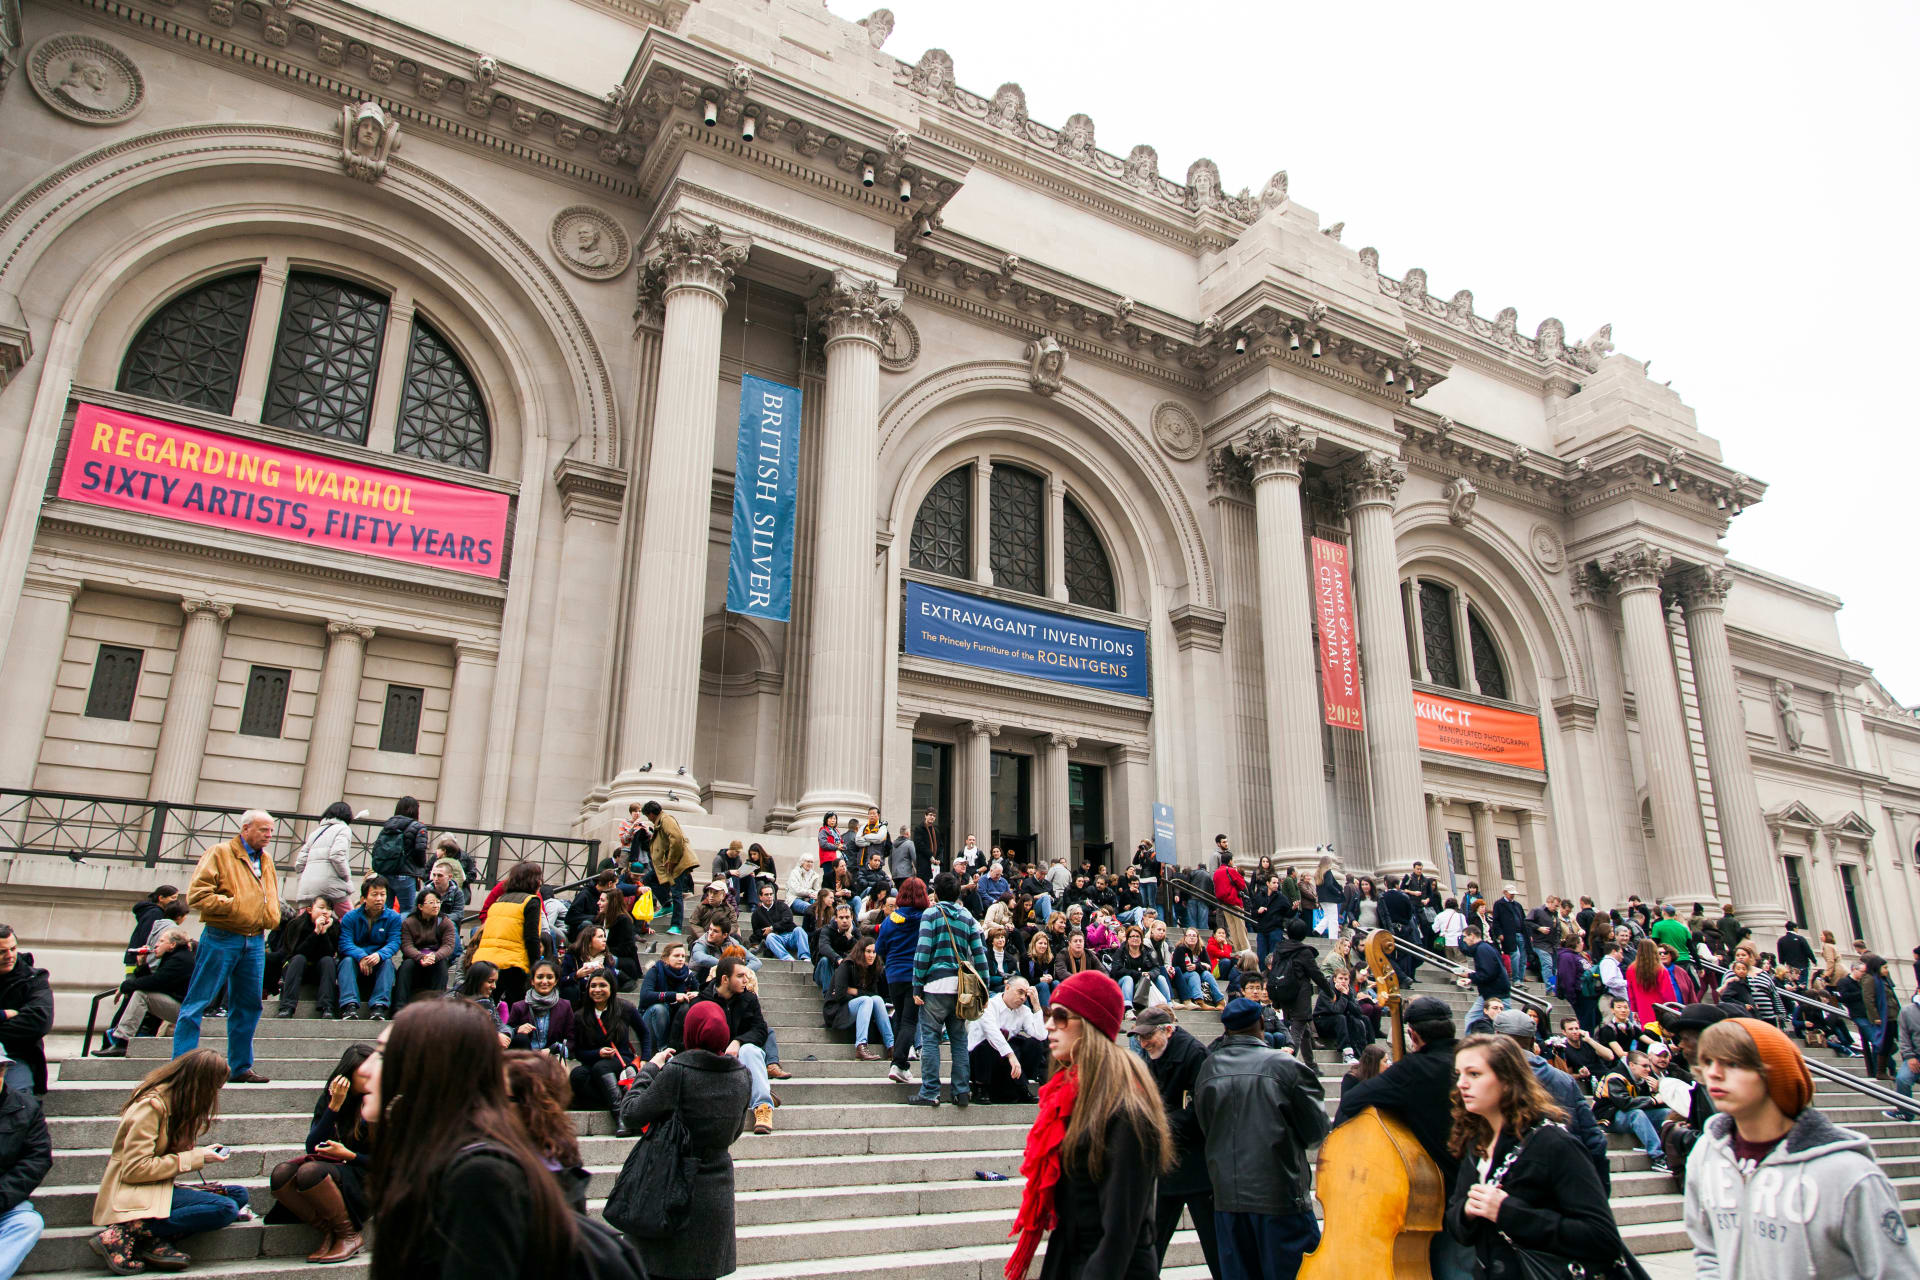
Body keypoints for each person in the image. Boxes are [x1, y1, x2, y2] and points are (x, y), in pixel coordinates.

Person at [358, 1000, 579, 1280]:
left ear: (429, 1067)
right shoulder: (429, 1149)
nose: (364, 1068)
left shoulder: (479, 1174)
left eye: (382, 1054)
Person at [1685, 1016, 1919, 1276]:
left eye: (1732, 1063)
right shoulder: (1706, 1153)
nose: (1714, 1073)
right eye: (1707, 1062)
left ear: (1773, 1073)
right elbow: (1708, 1252)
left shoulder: (1849, 1173)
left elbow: (1894, 1271)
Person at [1005, 970, 1170, 1280]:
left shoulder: (1125, 1109)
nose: (1049, 1024)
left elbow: (1120, 1232)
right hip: (1072, 1258)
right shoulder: (1071, 1096)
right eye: (1050, 1014)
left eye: (1061, 1016)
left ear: (1091, 1025)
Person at [1443, 1035, 1626, 1280]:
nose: (1462, 1084)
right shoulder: (1477, 1143)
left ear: (1508, 1080)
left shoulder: (1554, 1144)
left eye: (1474, 1074)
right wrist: (1466, 1212)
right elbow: (1458, 1223)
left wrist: (1508, 1212)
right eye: (1459, 1074)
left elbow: (1602, 1237)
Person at [1332, 996, 1470, 1280]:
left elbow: (1351, 1102)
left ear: (1413, 1035)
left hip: (1445, 1192)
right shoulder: (1473, 1059)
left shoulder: (1413, 1069)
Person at [1194, 997, 1330, 1280]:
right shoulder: (1285, 1066)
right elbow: (1316, 1132)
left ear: (1227, 1030)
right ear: (1260, 1024)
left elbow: (1205, 1127)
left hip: (1228, 1199)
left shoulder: (1208, 1069)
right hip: (1279, 1196)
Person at [616, 1002, 751, 1279]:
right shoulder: (742, 1075)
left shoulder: (678, 1071)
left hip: (671, 1187)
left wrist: (649, 1069)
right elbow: (735, 1132)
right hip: (716, 1193)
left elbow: (631, 1113)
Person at [88, 1049, 247, 1274]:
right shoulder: (150, 1107)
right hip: (133, 1190)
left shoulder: (177, 1104)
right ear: (199, 1084)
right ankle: (130, 1231)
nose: (214, 1095)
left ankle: (153, 1240)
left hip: (157, 1188)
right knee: (226, 1208)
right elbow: (135, 1169)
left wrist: (197, 1151)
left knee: (239, 1195)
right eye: (213, 1088)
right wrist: (196, 1158)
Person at [171, 809, 281, 1085]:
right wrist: (235, 905)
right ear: (245, 828)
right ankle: (183, 1066)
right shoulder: (219, 853)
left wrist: (270, 915)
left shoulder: (266, 860)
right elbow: (197, 894)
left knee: (249, 1004)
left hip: (255, 938)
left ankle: (241, 1066)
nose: (269, 836)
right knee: (198, 1000)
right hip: (222, 936)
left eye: (271, 831)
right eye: (263, 830)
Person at [1131, 1004, 1221, 1277]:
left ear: (1168, 1030)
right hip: (1166, 1164)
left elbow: (1201, 1112)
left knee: (1214, 1245)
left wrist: (1158, 1125)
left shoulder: (1194, 1054)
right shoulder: (1153, 1054)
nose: (1143, 1043)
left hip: (1196, 1164)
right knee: (1148, 1246)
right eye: (1139, 1037)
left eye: (1148, 1036)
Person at [266, 1043, 373, 1263]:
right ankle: (329, 1230)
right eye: (365, 1076)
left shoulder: (382, 1102)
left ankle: (349, 1235)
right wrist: (334, 1107)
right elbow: (313, 1146)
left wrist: (350, 1155)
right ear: (348, 1076)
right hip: (339, 1174)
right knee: (281, 1174)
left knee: (310, 1172)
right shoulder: (335, 1096)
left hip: (369, 1177)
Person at [1489, 1009, 1612, 1186]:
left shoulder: (1487, 1077)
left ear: (1497, 1036)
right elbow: (1594, 1140)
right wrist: (1598, 1190)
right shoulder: (1564, 1080)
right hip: (1564, 1176)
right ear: (1532, 1040)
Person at [909, 872, 990, 1108]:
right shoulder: (966, 916)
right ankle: (961, 1091)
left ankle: (930, 1091)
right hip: (961, 988)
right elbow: (979, 954)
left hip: (935, 984)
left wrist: (917, 983)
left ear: (936, 893)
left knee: (931, 1039)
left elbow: (922, 951)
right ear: (957, 894)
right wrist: (983, 988)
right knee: (959, 1040)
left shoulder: (931, 914)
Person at [98, 926, 194, 1057]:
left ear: (172, 944)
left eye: (161, 941)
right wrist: (142, 965)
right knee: (142, 993)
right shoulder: (175, 956)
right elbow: (157, 983)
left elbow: (156, 982)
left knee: (141, 995)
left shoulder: (180, 959)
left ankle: (122, 1042)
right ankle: (123, 1040)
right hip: (182, 1007)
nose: (156, 945)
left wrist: (126, 985)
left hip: (186, 1010)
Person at [568, 971, 639, 1135]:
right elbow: (578, 1052)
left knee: (600, 1068)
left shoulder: (625, 1008)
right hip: (595, 1060)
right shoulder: (580, 1015)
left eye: (602, 985)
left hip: (621, 1059)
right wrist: (597, 1053)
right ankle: (616, 1100)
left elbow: (644, 1033)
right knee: (577, 1075)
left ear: (612, 988)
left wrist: (645, 1059)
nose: (597, 990)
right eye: (593, 986)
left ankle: (621, 1116)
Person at [470, 861, 545, 1006]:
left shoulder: (499, 901)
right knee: (518, 1009)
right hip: (513, 963)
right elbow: (531, 937)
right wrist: (536, 964)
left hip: (485, 961)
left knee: (486, 1006)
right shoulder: (532, 901)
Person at [1266, 916, 1334, 1067]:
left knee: (1305, 1031)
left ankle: (1311, 1065)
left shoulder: (1279, 950)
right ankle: (1286, 1066)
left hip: (1284, 994)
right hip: (1300, 996)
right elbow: (1317, 975)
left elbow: (1274, 974)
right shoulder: (1304, 952)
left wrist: (1276, 1000)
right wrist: (1331, 993)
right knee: (1297, 1032)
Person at [968, 976, 1047, 1104]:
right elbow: (992, 1034)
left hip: (1005, 1063)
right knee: (989, 1045)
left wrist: (1036, 1005)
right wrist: (1011, 1056)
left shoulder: (1024, 1011)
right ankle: (981, 1088)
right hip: (979, 1060)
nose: (1023, 998)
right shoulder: (989, 1005)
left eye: (1025, 995)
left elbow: (1041, 1036)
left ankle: (1021, 1086)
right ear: (1007, 988)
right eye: (1020, 992)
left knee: (1034, 1044)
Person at [0, 1073, 49, 1279]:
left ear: (2, 1071)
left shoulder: (26, 1108)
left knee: (29, 1222)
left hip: (4, 1202)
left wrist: (2, 1196)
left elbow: (37, 1160)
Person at [336, 876, 404, 1020]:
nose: (379, 898)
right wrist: (361, 956)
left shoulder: (393, 917)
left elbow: (394, 942)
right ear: (364, 898)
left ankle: (379, 1007)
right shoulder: (350, 917)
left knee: (387, 963)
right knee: (346, 961)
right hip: (356, 961)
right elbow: (345, 943)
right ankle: (349, 1006)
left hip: (378, 960)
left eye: (383, 894)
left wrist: (379, 955)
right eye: (374, 894)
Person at [825, 934, 893, 1061]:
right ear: (861, 952)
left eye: (874, 952)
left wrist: (854, 991)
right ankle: (861, 1046)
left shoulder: (873, 969)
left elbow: (875, 995)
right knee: (866, 1000)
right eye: (868, 951)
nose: (871, 955)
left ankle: (891, 1046)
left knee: (877, 1000)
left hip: (858, 1006)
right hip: (837, 1010)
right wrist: (861, 995)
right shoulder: (847, 965)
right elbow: (839, 995)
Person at [641, 799, 700, 935]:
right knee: (649, 879)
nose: (649, 819)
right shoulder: (661, 821)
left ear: (651, 814)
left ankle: (676, 925)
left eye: (648, 816)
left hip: (676, 864)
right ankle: (667, 905)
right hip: (667, 865)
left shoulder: (666, 820)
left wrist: (672, 860)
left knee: (676, 893)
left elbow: (677, 838)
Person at [394, 888, 456, 1007]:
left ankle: (437, 1008)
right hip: (415, 959)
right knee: (406, 966)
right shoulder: (409, 922)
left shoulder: (445, 922)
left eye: (438, 902)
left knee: (442, 965)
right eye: (431, 902)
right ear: (420, 906)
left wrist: (434, 956)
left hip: (436, 959)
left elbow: (448, 946)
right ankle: (399, 1007)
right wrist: (421, 957)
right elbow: (406, 945)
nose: (436, 906)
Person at [635, 942, 697, 1058]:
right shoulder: (655, 971)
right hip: (651, 1021)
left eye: (683, 956)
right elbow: (645, 995)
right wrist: (673, 996)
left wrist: (696, 993)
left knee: (687, 1007)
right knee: (660, 1008)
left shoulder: (688, 975)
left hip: (674, 1023)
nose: (680, 959)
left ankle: (676, 1048)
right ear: (665, 958)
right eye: (676, 956)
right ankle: (662, 1050)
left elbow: (700, 992)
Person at [369, 796, 429, 915]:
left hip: (385, 873)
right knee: (407, 911)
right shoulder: (418, 827)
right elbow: (420, 850)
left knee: (384, 910)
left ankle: (384, 932)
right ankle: (400, 934)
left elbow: (377, 848)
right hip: (405, 874)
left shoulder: (388, 825)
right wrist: (421, 868)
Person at [294, 802, 357, 911]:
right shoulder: (343, 829)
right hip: (331, 885)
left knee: (304, 922)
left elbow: (299, 863)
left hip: (307, 887)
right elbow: (337, 855)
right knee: (350, 920)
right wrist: (346, 876)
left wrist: (305, 877)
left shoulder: (315, 833)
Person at [506, 960, 575, 1057]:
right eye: (540, 977)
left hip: (552, 1058)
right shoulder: (518, 1007)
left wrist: (553, 1050)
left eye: (550, 977)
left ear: (555, 981)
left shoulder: (565, 1006)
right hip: (525, 1059)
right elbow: (507, 1034)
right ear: (532, 981)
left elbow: (571, 1039)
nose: (544, 981)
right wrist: (517, 1029)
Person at [1458, 922, 1510, 1029]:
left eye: (1465, 937)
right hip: (1493, 992)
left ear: (1472, 935)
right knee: (1473, 1019)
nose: (1463, 940)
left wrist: (1469, 975)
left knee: (1505, 1024)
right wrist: (1471, 978)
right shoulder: (1485, 948)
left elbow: (1487, 973)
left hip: (1495, 993)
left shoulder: (1482, 949)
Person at [1624, 937, 1678, 1027]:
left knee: (1648, 1031)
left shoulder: (1631, 969)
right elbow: (1667, 992)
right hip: (1660, 1008)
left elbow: (1631, 992)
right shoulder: (1660, 970)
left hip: (1642, 1007)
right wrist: (1674, 1009)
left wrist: (1634, 1009)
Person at [750, 882, 810, 961]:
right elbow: (756, 931)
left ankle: (805, 957)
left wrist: (772, 928)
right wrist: (764, 933)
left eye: (771, 894)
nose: (769, 897)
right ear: (760, 897)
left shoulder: (782, 905)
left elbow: (788, 919)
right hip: (777, 939)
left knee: (799, 930)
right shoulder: (756, 914)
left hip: (790, 935)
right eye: (766, 894)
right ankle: (787, 958)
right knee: (770, 937)